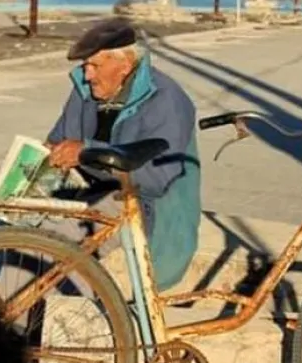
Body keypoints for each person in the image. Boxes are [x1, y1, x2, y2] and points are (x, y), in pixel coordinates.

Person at [42, 17, 202, 292]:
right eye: (85, 66)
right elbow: (58, 140)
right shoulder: (85, 88)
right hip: (90, 190)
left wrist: (87, 152)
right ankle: (2, 326)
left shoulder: (167, 100)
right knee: (12, 223)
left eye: (95, 66)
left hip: (143, 202)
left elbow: (157, 178)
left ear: (125, 65)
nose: (87, 74)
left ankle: (52, 324)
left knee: (57, 241)